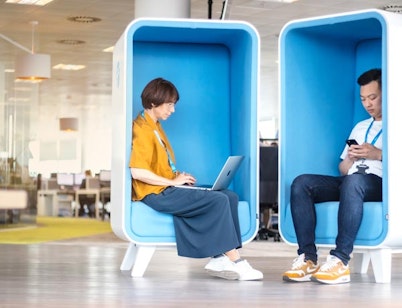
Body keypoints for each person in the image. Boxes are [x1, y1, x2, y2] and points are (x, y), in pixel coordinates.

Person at [129, 77, 263, 281]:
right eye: (170, 105)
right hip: (154, 193)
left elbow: (158, 164)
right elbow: (137, 172)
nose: (172, 110)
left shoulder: (154, 125)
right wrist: (173, 182)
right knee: (217, 200)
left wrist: (177, 176)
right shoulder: (142, 129)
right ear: (154, 102)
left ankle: (219, 257)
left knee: (228, 196)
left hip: (165, 187)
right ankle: (236, 261)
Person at [282, 68, 383, 285]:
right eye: (363, 99)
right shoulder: (360, 127)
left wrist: (377, 154)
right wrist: (351, 159)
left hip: (380, 184)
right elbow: (343, 169)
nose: (367, 104)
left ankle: (340, 260)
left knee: (353, 183)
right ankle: (307, 258)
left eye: (372, 97)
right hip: (352, 180)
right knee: (302, 183)